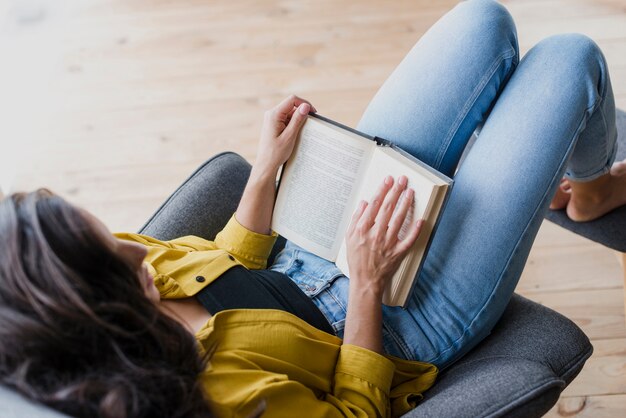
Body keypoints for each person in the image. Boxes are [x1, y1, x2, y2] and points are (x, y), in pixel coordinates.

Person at [0, 0, 623, 417]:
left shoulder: (113, 269)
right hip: (401, 323)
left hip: (308, 246)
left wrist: (267, 170)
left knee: (482, 20)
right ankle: (592, 190)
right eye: (122, 263)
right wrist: (368, 281)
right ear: (102, 314)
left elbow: (221, 260)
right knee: (570, 59)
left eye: (113, 236)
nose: (140, 248)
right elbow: (355, 413)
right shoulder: (213, 399)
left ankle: (572, 178)